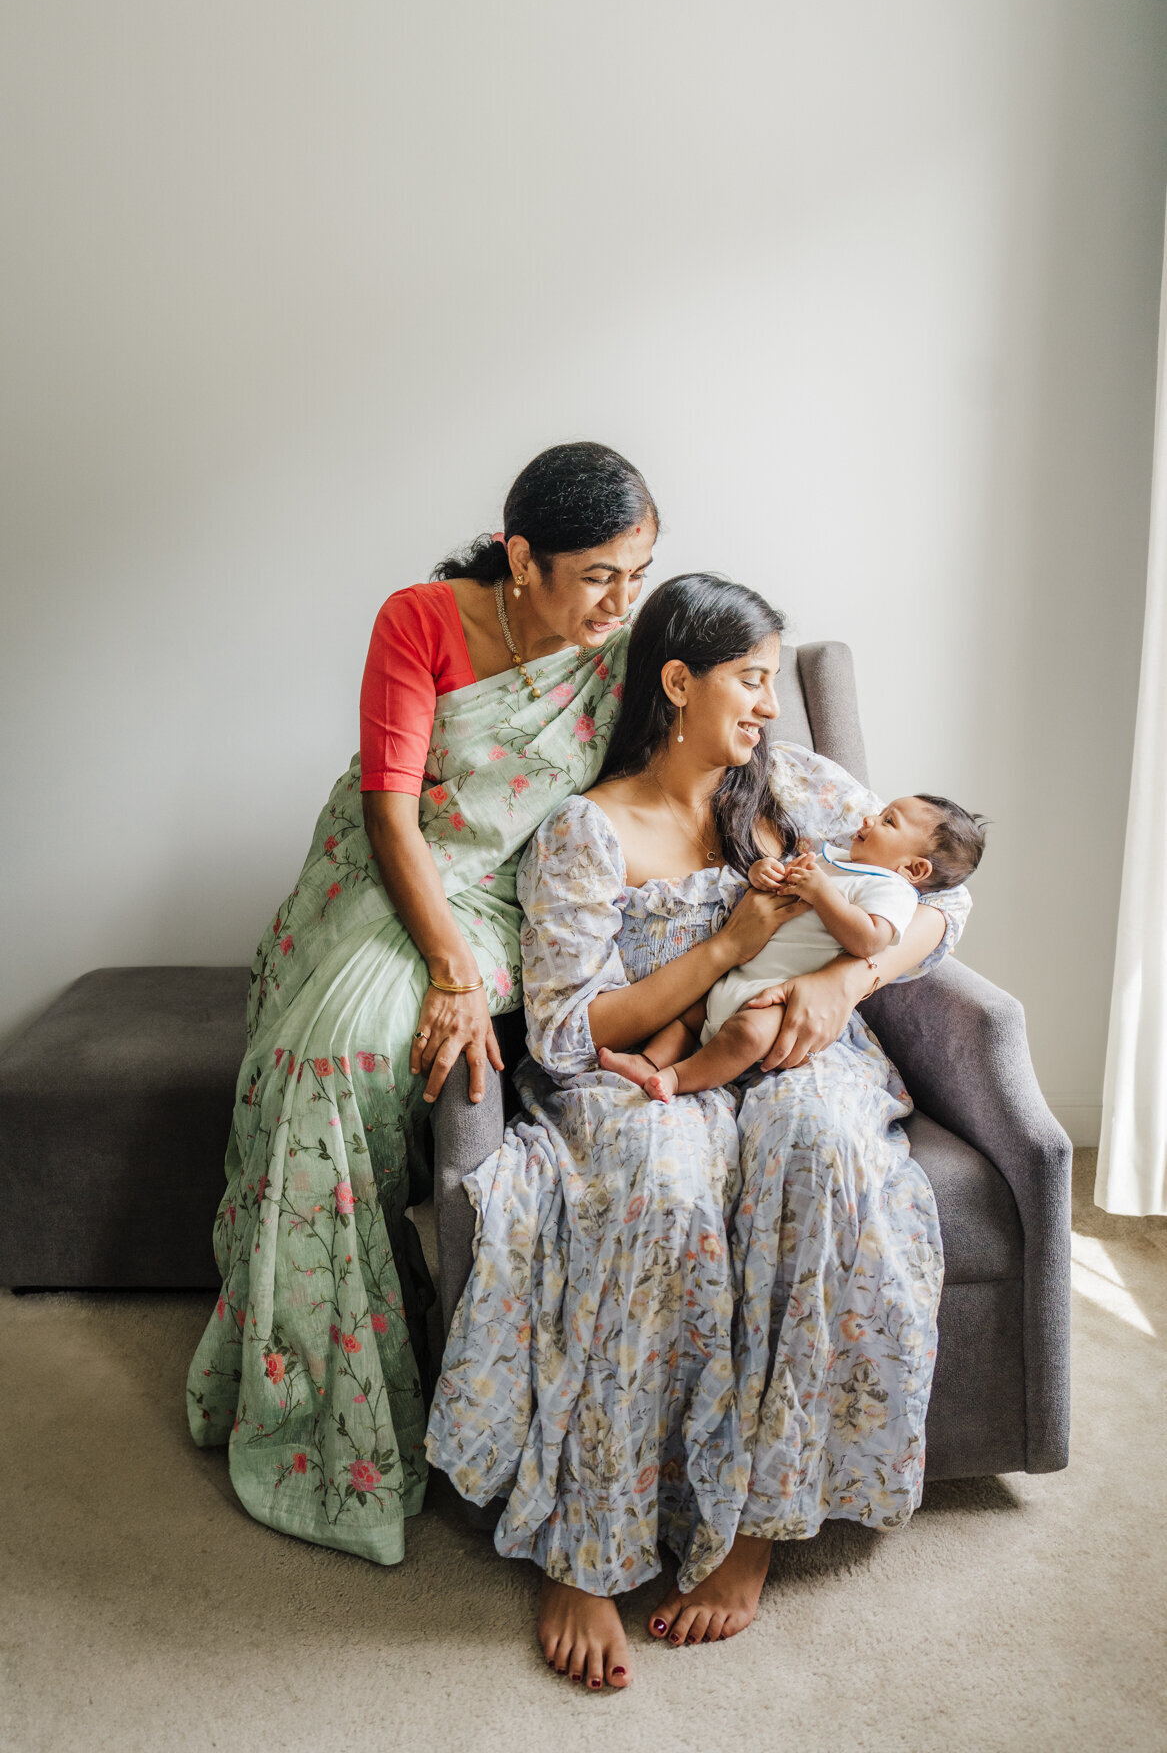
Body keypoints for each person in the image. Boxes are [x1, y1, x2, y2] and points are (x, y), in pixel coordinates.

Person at [426, 574, 971, 1691]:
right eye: (752, 680)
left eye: (775, 681)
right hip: (642, 1069)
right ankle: (587, 1547)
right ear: (678, 683)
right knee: (662, 1190)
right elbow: (572, 1032)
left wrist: (845, 984)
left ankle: (753, 1532)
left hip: (794, 1053)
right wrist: (726, 949)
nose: (771, 705)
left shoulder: (802, 790)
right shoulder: (587, 830)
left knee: (817, 1156)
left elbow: (941, 901)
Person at [186, 442, 657, 1564]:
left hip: (512, 894)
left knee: (345, 1059)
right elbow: (394, 816)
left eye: (638, 572)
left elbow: (730, 734)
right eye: (599, 573)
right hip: (389, 876)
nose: (620, 601)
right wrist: (447, 973)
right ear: (522, 556)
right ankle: (319, 1404)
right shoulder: (422, 619)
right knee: (319, 1065)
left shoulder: (632, 651)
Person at [600, 794, 986, 1101]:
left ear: (914, 869)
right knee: (687, 1014)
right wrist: (763, 873)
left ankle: (675, 1078)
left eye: (888, 821)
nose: (869, 819)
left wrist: (822, 894)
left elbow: (869, 940)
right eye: (880, 812)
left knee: (747, 1035)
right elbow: (783, 882)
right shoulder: (834, 861)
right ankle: (647, 1060)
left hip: (781, 999)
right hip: (743, 974)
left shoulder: (893, 892)